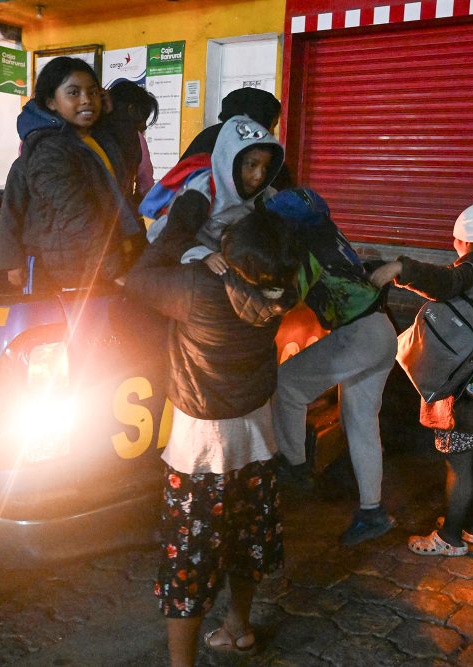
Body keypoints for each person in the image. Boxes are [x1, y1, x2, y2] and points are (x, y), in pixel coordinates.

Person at [124, 207, 300, 667]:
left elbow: (138, 279)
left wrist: (185, 229)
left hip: (201, 451)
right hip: (258, 437)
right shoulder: (284, 290)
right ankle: (238, 629)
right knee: (248, 540)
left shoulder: (200, 287)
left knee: (189, 561)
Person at [370, 191, 473, 556]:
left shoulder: (469, 271)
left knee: (459, 465)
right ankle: (472, 528)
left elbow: (441, 281)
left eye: (456, 239)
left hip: (465, 389)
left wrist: (399, 269)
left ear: (466, 239)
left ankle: (450, 538)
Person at [264, 187, 398, 546]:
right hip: (383, 331)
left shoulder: (306, 249)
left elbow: (287, 299)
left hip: (358, 336)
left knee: (286, 383)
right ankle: (373, 512)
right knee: (362, 424)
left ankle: (294, 464)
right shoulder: (331, 235)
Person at [0, 57, 141, 290]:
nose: (87, 100)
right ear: (51, 102)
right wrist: (12, 261)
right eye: (74, 93)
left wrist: (113, 115)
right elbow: (77, 214)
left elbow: (130, 161)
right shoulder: (49, 150)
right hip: (75, 268)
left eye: (93, 92)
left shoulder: (95, 140)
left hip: (104, 258)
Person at [149, 115, 283, 275]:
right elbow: (173, 236)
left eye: (266, 167)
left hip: (218, 261)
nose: (259, 176)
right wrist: (204, 255)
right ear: (230, 160)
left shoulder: (264, 197)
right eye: (252, 165)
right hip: (170, 258)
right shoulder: (201, 192)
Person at [181, 87, 293, 190]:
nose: (272, 132)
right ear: (262, 119)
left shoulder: (207, 136)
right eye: (273, 124)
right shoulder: (254, 143)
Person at [102, 80, 159, 206]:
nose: (144, 125)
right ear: (131, 109)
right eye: (144, 117)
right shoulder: (136, 139)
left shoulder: (87, 131)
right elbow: (145, 187)